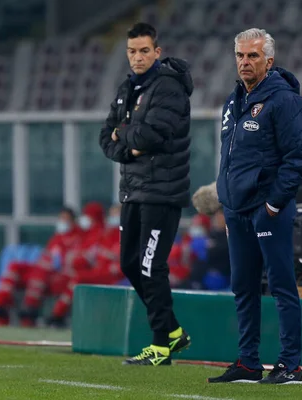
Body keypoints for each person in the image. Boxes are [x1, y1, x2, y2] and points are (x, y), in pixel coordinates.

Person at [208, 28, 302, 384]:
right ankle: (249, 362)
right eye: (239, 55)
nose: (244, 62)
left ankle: (291, 365)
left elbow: (298, 160)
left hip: (268, 209)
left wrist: (272, 205)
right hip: (237, 211)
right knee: (243, 286)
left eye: (252, 56)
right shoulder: (233, 101)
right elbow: (229, 159)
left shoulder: (284, 101)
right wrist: (226, 201)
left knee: (281, 285)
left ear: (269, 60)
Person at [99, 22, 193, 366]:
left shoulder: (168, 88)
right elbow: (105, 136)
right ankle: (173, 332)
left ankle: (161, 345)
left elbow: (152, 135)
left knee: (151, 266)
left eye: (143, 51)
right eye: (131, 51)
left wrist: (123, 138)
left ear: (157, 51)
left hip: (162, 192)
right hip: (133, 191)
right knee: (129, 263)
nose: (137, 57)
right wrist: (127, 144)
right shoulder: (128, 88)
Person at [0, 206, 83, 326]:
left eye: (66, 219)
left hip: (59, 276)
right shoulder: (57, 238)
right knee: (15, 267)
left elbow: (71, 264)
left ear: (73, 221)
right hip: (45, 273)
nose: (62, 222)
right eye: (61, 219)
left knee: (39, 274)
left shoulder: (79, 239)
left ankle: (30, 309)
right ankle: (0, 305)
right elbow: (46, 257)